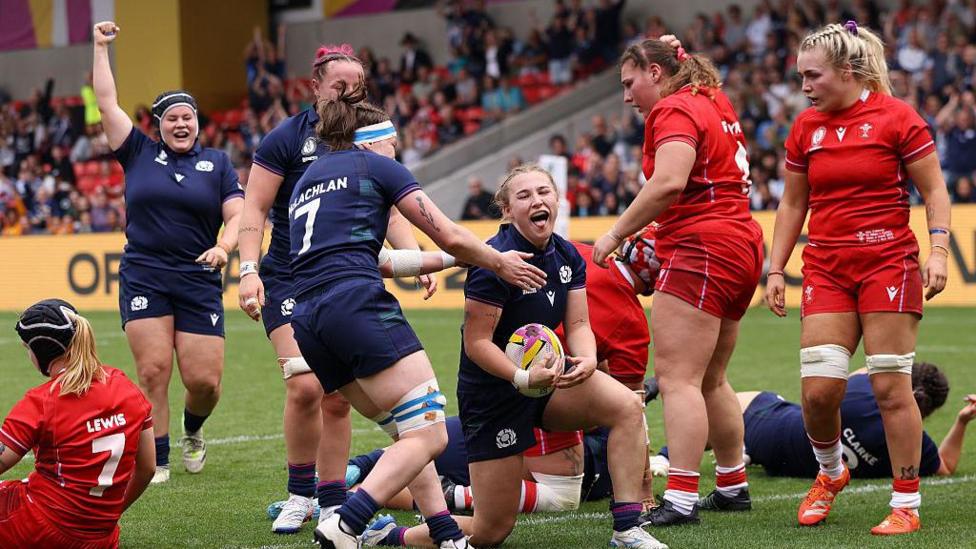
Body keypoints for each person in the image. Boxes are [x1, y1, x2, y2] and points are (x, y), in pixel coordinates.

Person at [289, 88, 545, 549]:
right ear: (372, 141)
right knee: (429, 431)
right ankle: (346, 523)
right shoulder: (376, 166)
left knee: (411, 433)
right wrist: (496, 260)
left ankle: (446, 535)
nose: (396, 151)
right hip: (355, 305)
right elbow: (446, 231)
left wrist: (451, 264)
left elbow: (386, 262)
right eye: (392, 143)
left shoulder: (308, 180)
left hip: (308, 319)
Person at [365, 164, 665, 549]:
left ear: (557, 200)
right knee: (491, 531)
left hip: (545, 384)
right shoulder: (495, 262)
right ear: (507, 211)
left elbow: (578, 325)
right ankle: (389, 537)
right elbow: (477, 344)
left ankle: (627, 530)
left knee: (626, 407)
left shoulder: (568, 256)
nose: (537, 200)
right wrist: (522, 379)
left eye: (544, 192)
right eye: (524, 196)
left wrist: (587, 358)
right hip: (494, 396)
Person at [268, 230, 662, 521]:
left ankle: (346, 484)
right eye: (527, 194)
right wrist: (644, 493)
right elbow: (631, 407)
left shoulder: (576, 253)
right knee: (556, 492)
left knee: (427, 440)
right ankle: (365, 499)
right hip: (528, 408)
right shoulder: (628, 317)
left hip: (497, 399)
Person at [236, 43, 439, 535]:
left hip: (349, 277)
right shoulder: (287, 138)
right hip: (290, 275)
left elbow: (390, 204)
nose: (349, 94)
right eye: (340, 86)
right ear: (316, 87)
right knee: (305, 384)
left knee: (336, 397)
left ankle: (330, 503)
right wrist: (248, 269)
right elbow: (255, 208)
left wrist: (413, 257)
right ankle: (298, 494)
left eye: (357, 87)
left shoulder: (368, 135)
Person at [765, 21, 952, 535]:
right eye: (800, 76)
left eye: (812, 76)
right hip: (826, 266)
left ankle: (906, 505)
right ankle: (830, 473)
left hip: (887, 264)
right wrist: (776, 267)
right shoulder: (806, 127)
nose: (803, 86)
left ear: (847, 71)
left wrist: (937, 252)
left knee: (892, 388)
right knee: (819, 393)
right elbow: (793, 202)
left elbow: (935, 191)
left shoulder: (897, 118)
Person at [592, 35, 764, 526]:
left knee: (676, 379)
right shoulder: (711, 97)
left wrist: (616, 232)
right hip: (741, 240)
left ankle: (682, 499)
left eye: (630, 83)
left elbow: (668, 181)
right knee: (711, 377)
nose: (627, 97)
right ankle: (732, 485)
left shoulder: (672, 109)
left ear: (655, 73)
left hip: (702, 244)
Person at [92, 21, 245, 484]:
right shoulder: (137, 151)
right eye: (172, 118)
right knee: (153, 371)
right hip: (144, 272)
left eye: (188, 117)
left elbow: (239, 217)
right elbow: (105, 103)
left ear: (197, 122)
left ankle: (192, 429)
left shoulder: (217, 162)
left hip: (198, 276)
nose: (182, 124)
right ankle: (156, 460)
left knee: (204, 383)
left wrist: (223, 246)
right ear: (157, 125)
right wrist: (100, 48)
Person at [0, 299, 155, 548]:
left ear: (40, 349)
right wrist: (107, 518)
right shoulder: (126, 387)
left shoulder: (41, 400)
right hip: (102, 538)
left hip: (39, 529)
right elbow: (147, 468)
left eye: (27, 348)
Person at [653, 363, 974, 480]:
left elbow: (851, 379)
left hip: (773, 430)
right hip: (788, 463)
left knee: (726, 398)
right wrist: (961, 422)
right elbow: (945, 465)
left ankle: (668, 457)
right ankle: (739, 450)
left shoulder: (862, 388)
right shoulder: (917, 447)